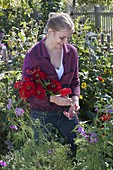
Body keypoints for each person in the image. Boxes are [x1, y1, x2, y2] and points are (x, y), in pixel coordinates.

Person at [22, 12, 80, 154]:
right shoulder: (33, 56)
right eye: (62, 37)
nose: (65, 42)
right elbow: (26, 92)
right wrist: (52, 99)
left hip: (67, 113)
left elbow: (75, 82)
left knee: (80, 150)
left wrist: (75, 99)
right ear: (50, 32)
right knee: (41, 156)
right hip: (41, 115)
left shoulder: (71, 52)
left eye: (68, 38)